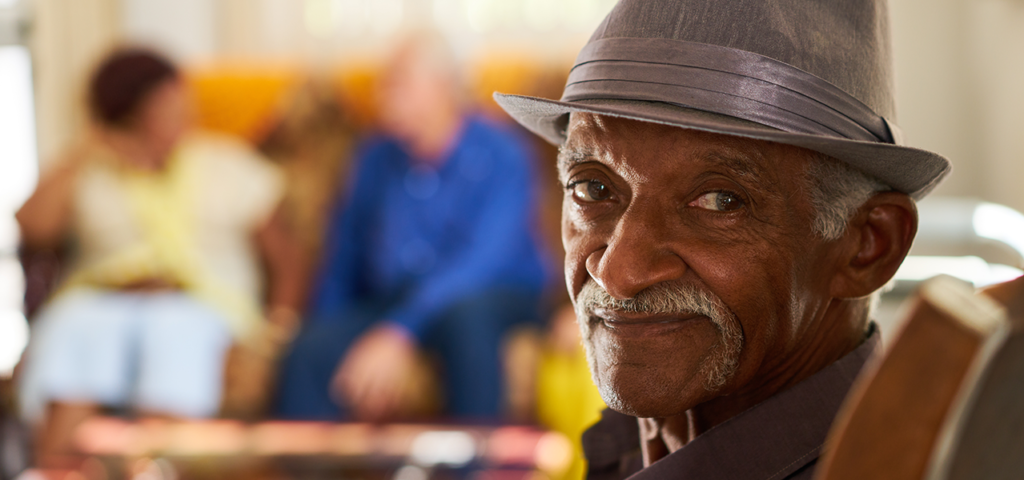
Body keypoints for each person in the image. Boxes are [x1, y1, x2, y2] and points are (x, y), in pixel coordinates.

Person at [493, 0, 951, 478]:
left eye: (720, 201)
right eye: (594, 188)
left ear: (866, 246)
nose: (617, 273)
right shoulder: (643, 439)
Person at [15, 48, 304, 467]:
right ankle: (59, 471)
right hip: (102, 303)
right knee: (77, 328)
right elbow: (33, 228)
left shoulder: (223, 162)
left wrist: (278, 328)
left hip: (198, 304)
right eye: (165, 105)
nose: (182, 113)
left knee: (172, 332)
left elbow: (288, 256)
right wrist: (89, 147)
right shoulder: (92, 171)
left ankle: (155, 469)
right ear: (129, 115)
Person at [276, 33, 553, 421]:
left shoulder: (503, 154)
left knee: (466, 318)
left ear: (444, 88)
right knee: (310, 350)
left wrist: (398, 331)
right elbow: (344, 255)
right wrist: (332, 327)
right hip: (397, 296)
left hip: (492, 295)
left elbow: (480, 262)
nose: (382, 93)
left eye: (398, 81)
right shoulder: (374, 156)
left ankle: (475, 466)